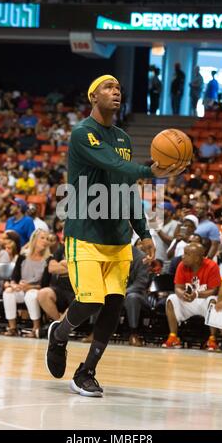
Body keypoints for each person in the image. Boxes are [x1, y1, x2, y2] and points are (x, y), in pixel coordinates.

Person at [45, 74, 175, 397]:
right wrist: (149, 171)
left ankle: (86, 371)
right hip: (85, 234)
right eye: (108, 87)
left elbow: (127, 191)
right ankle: (59, 335)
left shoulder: (124, 139)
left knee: (114, 305)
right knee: (90, 301)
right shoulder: (82, 134)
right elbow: (109, 161)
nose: (116, 92)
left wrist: (143, 232)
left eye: (119, 88)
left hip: (118, 240)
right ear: (93, 96)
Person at [162, 243, 221, 350]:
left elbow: (214, 290)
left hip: (204, 301)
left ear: (197, 258)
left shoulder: (212, 266)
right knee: (171, 299)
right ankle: (173, 337)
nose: (183, 256)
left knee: (213, 301)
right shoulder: (181, 265)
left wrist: (197, 294)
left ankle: (212, 339)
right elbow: (177, 288)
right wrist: (182, 294)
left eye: (187, 254)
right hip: (188, 301)